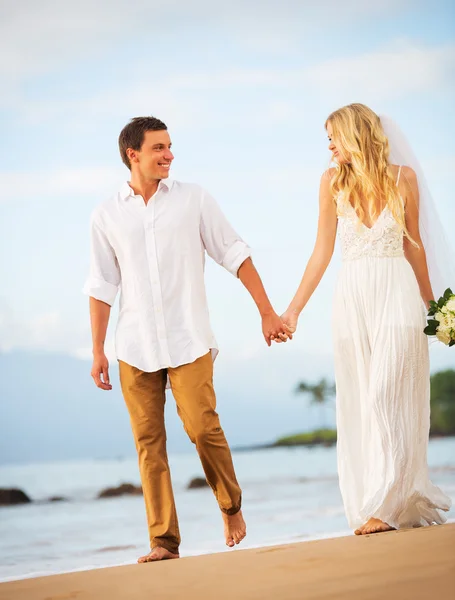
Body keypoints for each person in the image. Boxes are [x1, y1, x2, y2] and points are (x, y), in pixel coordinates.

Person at [83, 116, 291, 562]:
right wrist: (98, 349)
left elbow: (235, 253)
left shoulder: (194, 199)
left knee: (202, 426)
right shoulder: (106, 214)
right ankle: (163, 542)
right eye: (159, 148)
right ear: (132, 154)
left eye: (170, 146)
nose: (169, 155)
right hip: (134, 347)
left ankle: (230, 506)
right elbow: (102, 285)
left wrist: (267, 311)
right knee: (148, 445)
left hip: (189, 339)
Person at [278, 103, 451, 535]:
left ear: (356, 134)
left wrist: (438, 310)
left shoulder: (403, 178)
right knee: (362, 402)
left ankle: (387, 505)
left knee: (385, 394)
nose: (330, 146)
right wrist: (292, 310)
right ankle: (386, 497)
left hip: (398, 294)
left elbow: (414, 246)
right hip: (352, 299)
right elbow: (322, 253)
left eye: (334, 136)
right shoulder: (331, 183)